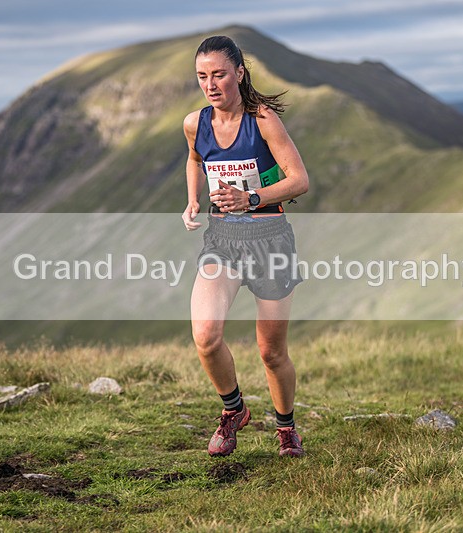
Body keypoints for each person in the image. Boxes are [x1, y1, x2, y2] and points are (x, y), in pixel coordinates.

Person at [181, 35, 309, 458]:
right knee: (205, 335)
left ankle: (286, 428)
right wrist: (193, 199)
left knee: (271, 353)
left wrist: (251, 199)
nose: (211, 84)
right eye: (202, 76)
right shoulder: (194, 123)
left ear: (239, 72)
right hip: (223, 240)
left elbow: (299, 180)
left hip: (269, 240)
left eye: (219, 74)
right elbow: (196, 159)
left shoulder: (264, 120)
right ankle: (233, 410)